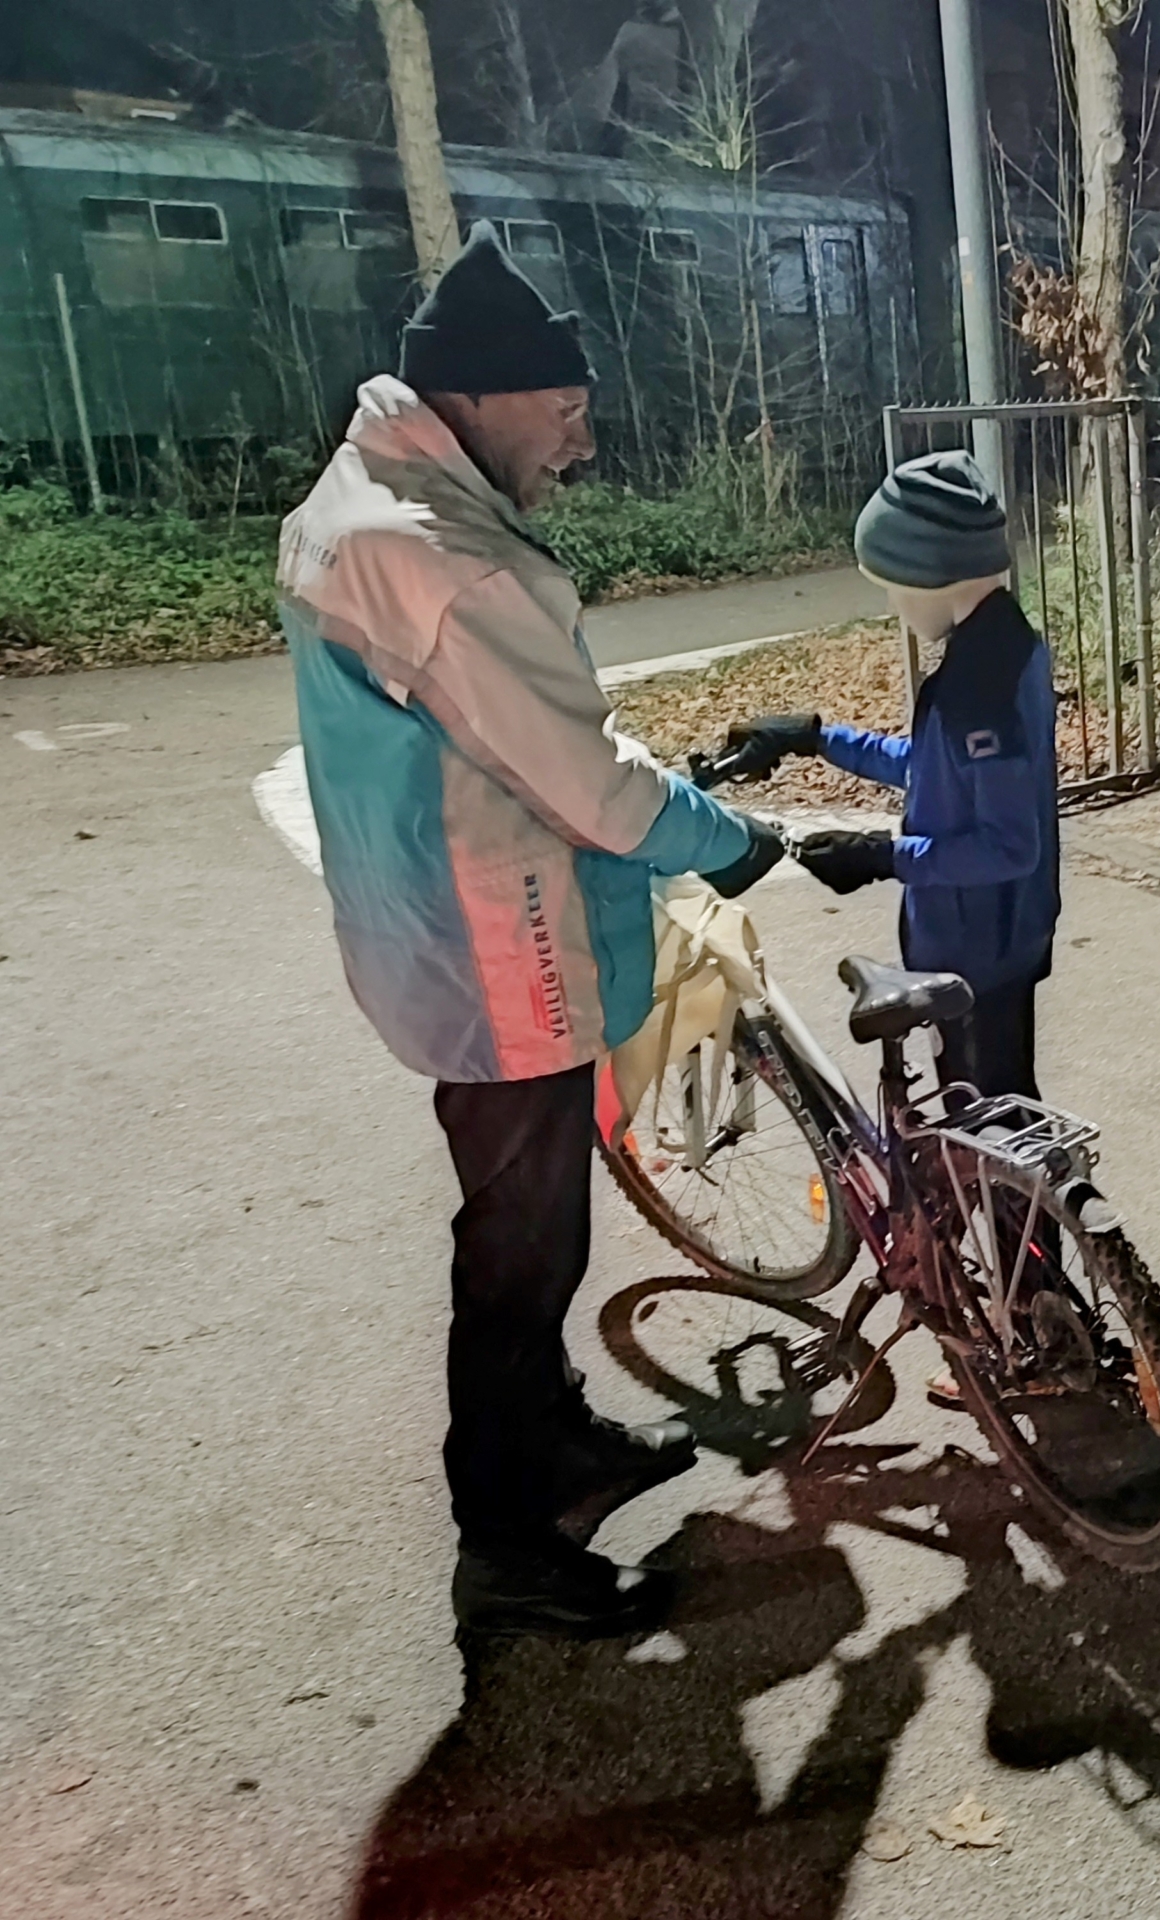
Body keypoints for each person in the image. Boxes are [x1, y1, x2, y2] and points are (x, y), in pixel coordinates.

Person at [278, 223, 786, 1636]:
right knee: (517, 1250)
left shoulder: (366, 500)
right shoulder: (439, 563)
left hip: (431, 923)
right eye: (564, 410)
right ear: (485, 397)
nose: (580, 440)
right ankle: (504, 1538)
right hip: (490, 947)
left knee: (535, 1232)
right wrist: (738, 839)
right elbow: (590, 787)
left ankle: (551, 1446)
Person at [720, 450, 1060, 1099]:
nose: (892, 601)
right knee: (1000, 1119)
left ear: (930, 570)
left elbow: (1009, 845)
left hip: (979, 952)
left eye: (893, 583)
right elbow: (936, 771)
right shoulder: (1003, 647)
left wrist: (885, 856)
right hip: (995, 938)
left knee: (991, 1124)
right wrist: (819, 739)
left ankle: (1032, 1204)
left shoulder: (979, 688)